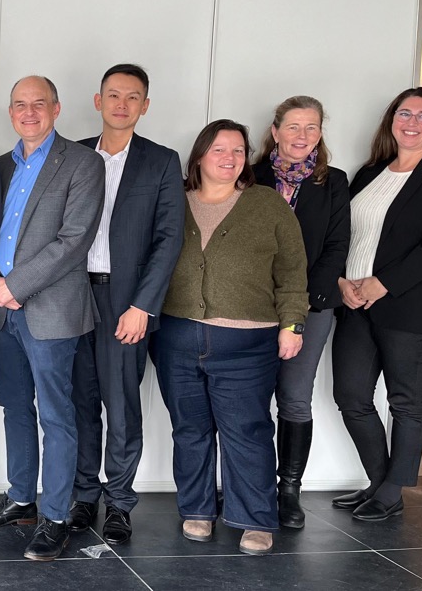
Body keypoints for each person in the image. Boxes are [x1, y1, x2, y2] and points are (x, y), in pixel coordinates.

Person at [152, 119, 307, 555]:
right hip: (176, 337)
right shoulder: (174, 201)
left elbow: (293, 270)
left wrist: (292, 324)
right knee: (190, 429)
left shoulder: (266, 204)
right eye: (219, 149)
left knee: (247, 431)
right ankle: (197, 509)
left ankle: (254, 518)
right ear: (200, 155)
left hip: (247, 344)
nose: (230, 158)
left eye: (238, 150)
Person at [0, 76, 106, 561]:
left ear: (56, 108)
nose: (28, 112)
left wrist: (16, 285)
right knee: (15, 407)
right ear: (10, 111)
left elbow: (74, 239)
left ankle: (55, 516)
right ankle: (21, 499)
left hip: (52, 310)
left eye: (38, 103)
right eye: (19, 104)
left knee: (57, 415)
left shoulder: (83, 162)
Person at [63, 65, 183, 545]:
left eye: (133, 97)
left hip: (126, 300)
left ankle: (119, 502)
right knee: (79, 401)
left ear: (145, 106)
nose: (122, 104)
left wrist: (143, 305)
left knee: (122, 404)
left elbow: (169, 239)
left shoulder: (161, 161)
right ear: (98, 101)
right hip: (71, 295)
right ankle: (83, 495)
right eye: (113, 95)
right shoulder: (71, 155)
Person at [332, 87, 422, 522]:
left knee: (405, 402)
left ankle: (394, 490)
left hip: (409, 306)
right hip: (354, 303)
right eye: (404, 113)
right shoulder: (369, 172)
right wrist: (341, 281)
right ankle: (380, 483)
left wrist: (384, 283)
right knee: (351, 395)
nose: (412, 122)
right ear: (392, 120)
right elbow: (343, 234)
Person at [252, 96, 350, 529]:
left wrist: (300, 303)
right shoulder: (250, 176)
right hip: (252, 308)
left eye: (311, 127)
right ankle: (249, 486)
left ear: (320, 134)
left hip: (311, 307)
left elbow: (337, 247)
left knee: (294, 397)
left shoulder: (334, 182)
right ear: (275, 131)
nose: (302, 135)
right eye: (293, 126)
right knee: (248, 399)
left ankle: (288, 491)